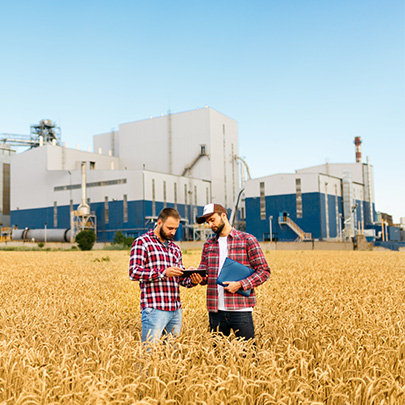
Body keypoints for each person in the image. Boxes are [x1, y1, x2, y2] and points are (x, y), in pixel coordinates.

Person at [194, 203, 271, 340]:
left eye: (212, 220)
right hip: (215, 310)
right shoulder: (208, 245)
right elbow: (205, 275)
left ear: (223, 216)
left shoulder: (247, 240)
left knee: (247, 355)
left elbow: (264, 271)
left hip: (240, 309)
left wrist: (241, 284)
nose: (210, 225)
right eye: (208, 222)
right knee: (218, 355)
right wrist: (197, 277)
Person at [129, 207, 199, 344]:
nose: (173, 232)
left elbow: (179, 279)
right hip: (155, 309)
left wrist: (192, 278)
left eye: (175, 229)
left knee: (172, 356)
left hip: (175, 310)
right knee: (149, 353)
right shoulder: (142, 242)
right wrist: (163, 272)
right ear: (159, 223)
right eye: (170, 228)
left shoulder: (175, 248)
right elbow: (134, 272)